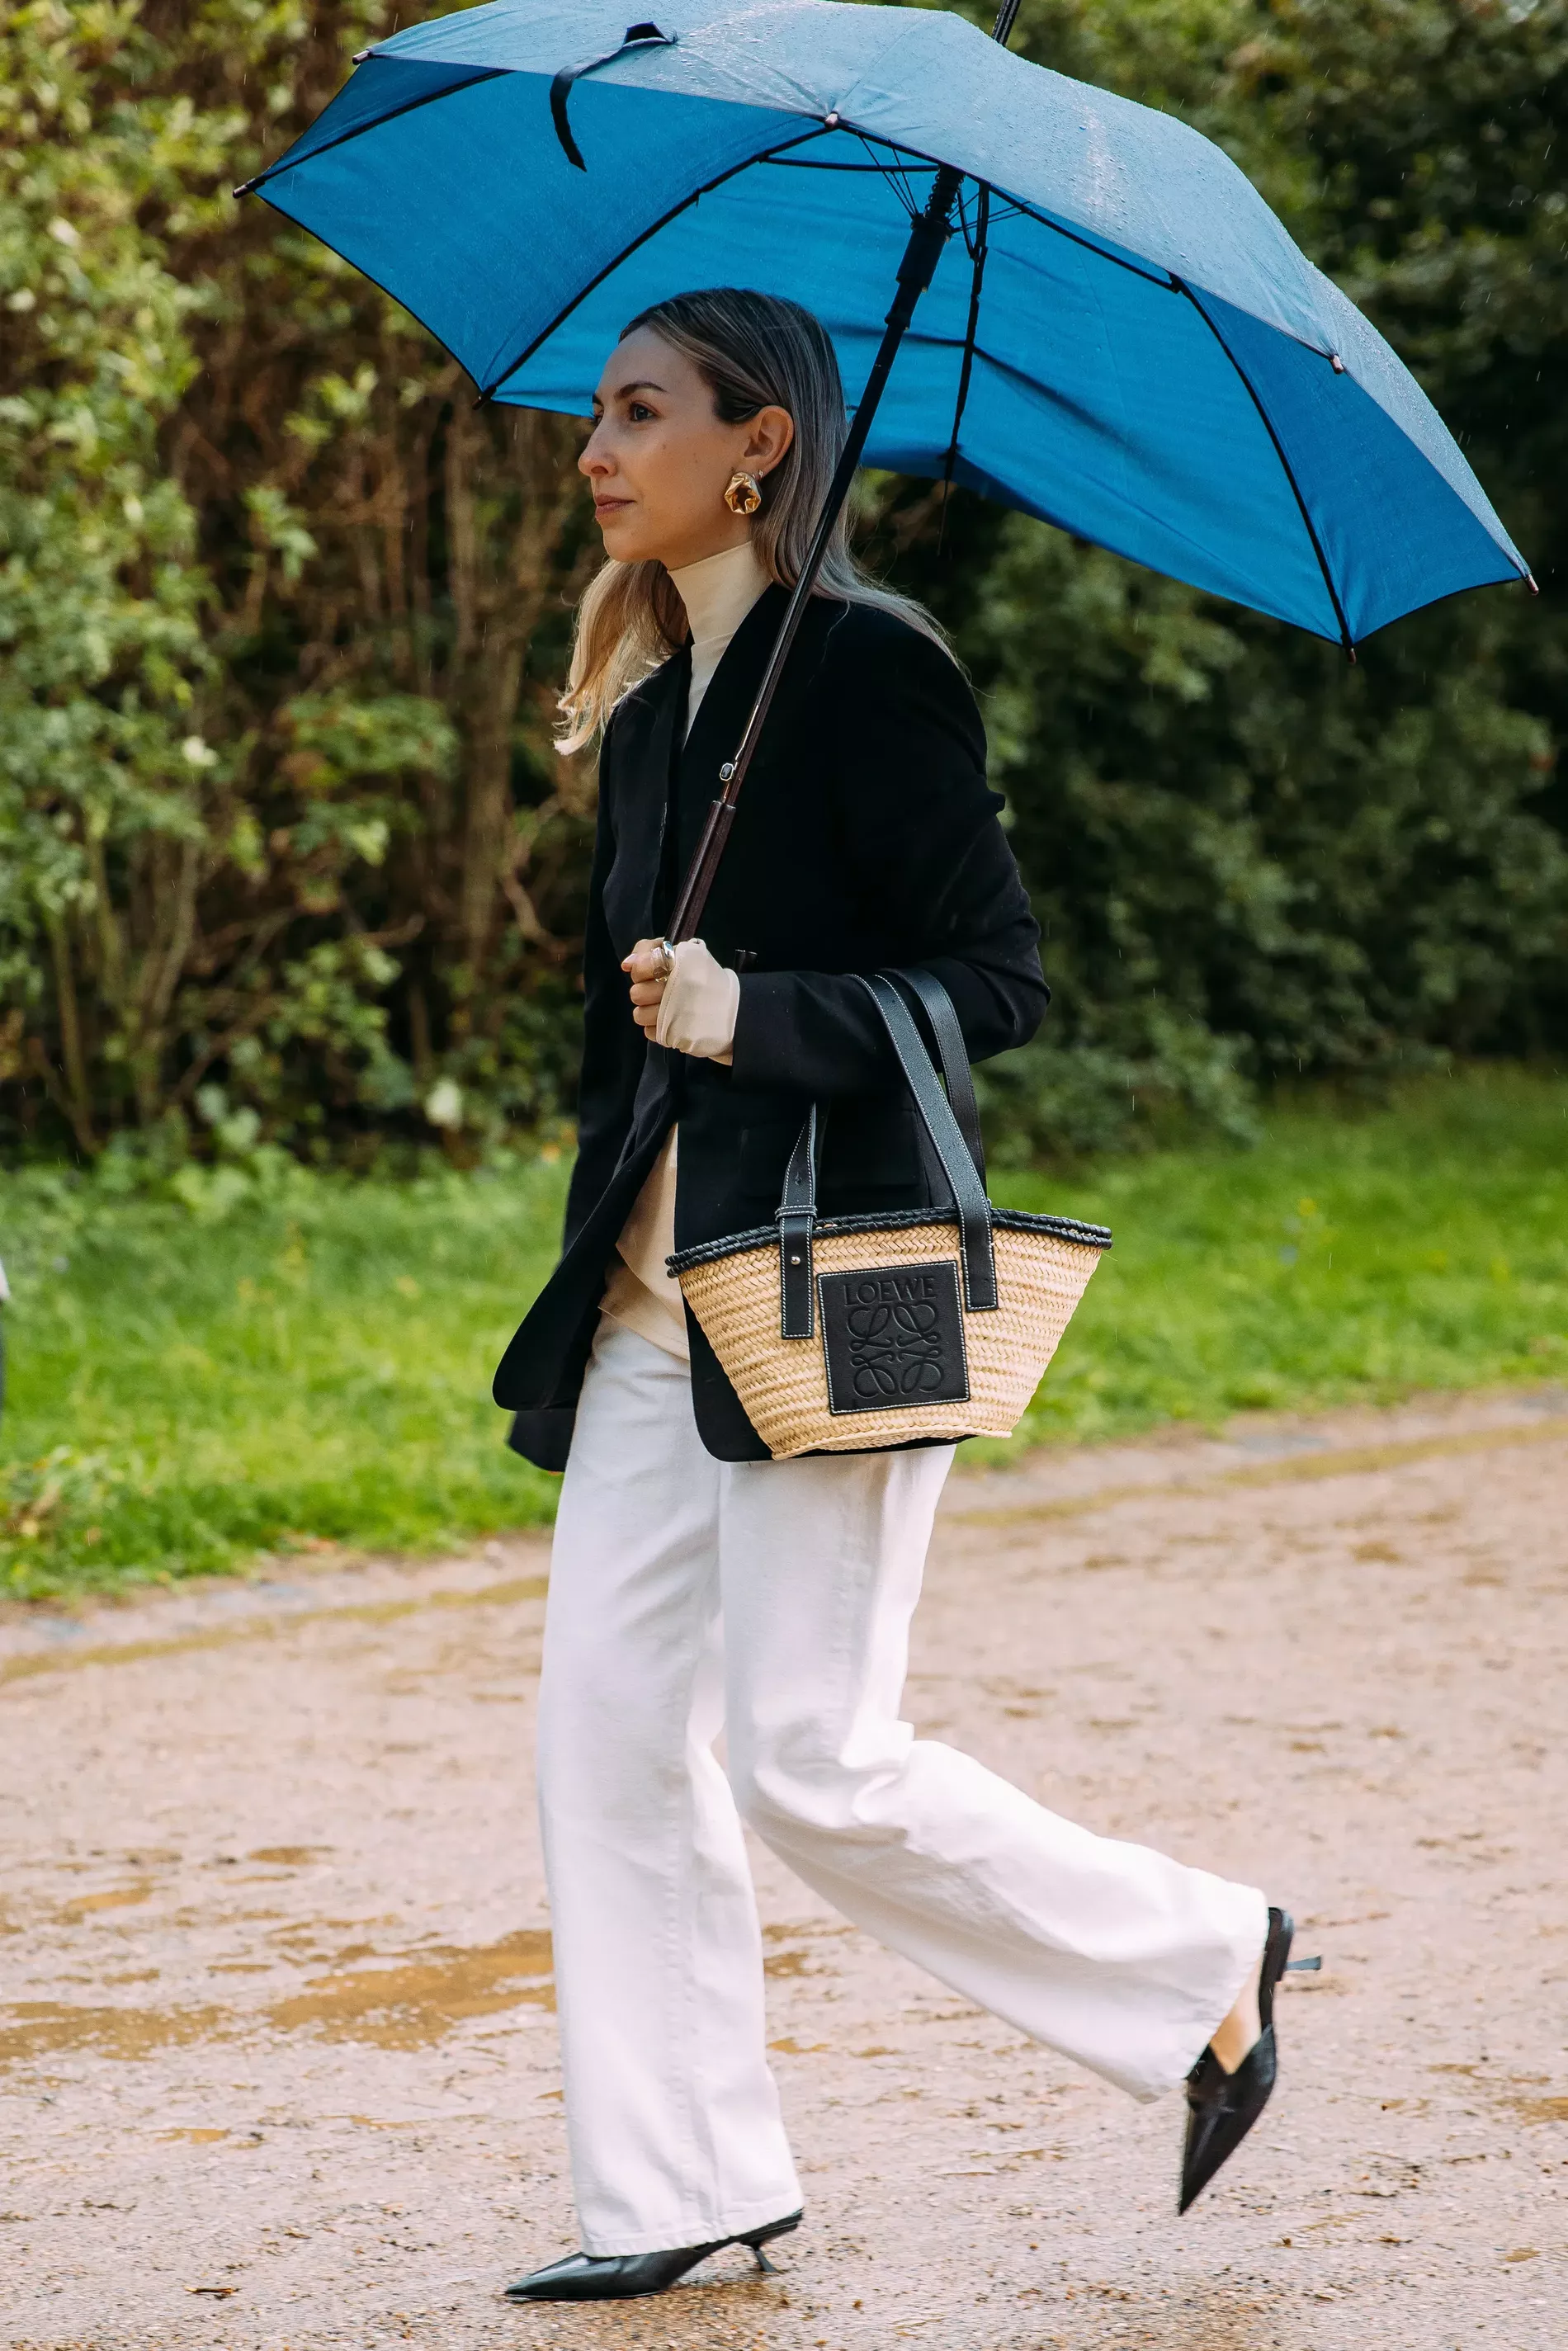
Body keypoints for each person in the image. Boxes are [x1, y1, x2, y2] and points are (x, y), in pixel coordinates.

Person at [493, 289, 1292, 2306]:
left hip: (846, 1288)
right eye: (596, 409)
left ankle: (1209, 1953)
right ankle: (676, 2179)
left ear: (757, 443)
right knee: (600, 1724)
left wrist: (758, 1012)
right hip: (656, 1293)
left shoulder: (869, 673)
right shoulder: (668, 703)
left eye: (639, 410)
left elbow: (997, 979)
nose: (596, 444)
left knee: (810, 1755)